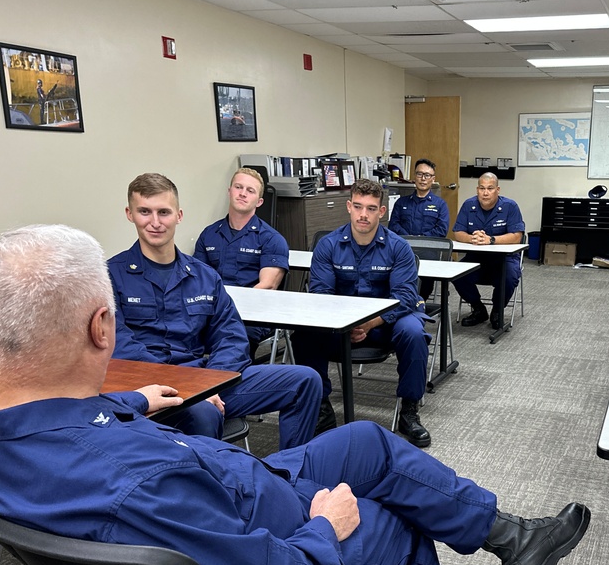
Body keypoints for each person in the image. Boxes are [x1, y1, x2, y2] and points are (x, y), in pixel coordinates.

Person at [0, 224, 592, 565]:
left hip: (227, 502)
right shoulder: (141, 485)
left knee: (366, 444)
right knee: (394, 520)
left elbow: (73, 425)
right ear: (102, 328)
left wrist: (130, 400)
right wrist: (327, 528)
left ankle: (511, 536)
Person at [109, 172, 321, 450]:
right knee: (203, 413)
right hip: (150, 390)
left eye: (164, 212)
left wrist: (211, 383)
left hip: (207, 381)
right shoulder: (110, 276)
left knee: (305, 381)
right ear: (130, 214)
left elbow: (231, 336)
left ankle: (290, 476)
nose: (155, 222)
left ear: (179, 215)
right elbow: (119, 345)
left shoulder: (203, 275)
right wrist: (191, 388)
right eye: (145, 212)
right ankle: (212, 486)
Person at [291, 178, 433, 447]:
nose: (363, 215)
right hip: (340, 325)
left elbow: (405, 297)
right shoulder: (328, 245)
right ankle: (321, 407)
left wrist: (369, 323)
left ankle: (409, 410)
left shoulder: (398, 247)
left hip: (386, 325)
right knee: (303, 333)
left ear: (381, 211)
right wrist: (345, 324)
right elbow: (320, 296)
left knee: (414, 332)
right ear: (349, 207)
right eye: (358, 207)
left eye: (370, 208)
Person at [193, 167, 290, 356]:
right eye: (238, 187)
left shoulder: (271, 239)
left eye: (250, 190)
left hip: (251, 316)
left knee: (230, 341)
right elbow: (197, 281)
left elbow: (267, 287)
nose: (243, 193)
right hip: (211, 312)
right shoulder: (209, 234)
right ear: (229, 191)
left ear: (259, 201)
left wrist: (224, 309)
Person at [452, 173, 526, 330]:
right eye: (482, 188)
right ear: (477, 189)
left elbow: (517, 236)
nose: (485, 193)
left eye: (490, 188)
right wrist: (472, 238)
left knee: (510, 275)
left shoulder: (510, 206)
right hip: (476, 257)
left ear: (497, 190)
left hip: (504, 259)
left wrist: (491, 240)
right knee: (455, 274)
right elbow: (458, 232)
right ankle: (478, 309)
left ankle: (497, 311)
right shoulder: (468, 205)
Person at [387, 158, 450, 302]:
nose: (423, 179)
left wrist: (420, 239)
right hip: (403, 252)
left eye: (427, 175)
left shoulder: (440, 205)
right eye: (420, 174)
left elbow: (441, 230)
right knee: (397, 284)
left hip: (428, 254)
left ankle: (417, 305)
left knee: (423, 289)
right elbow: (393, 227)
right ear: (414, 176)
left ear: (433, 179)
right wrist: (409, 239)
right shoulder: (401, 202)